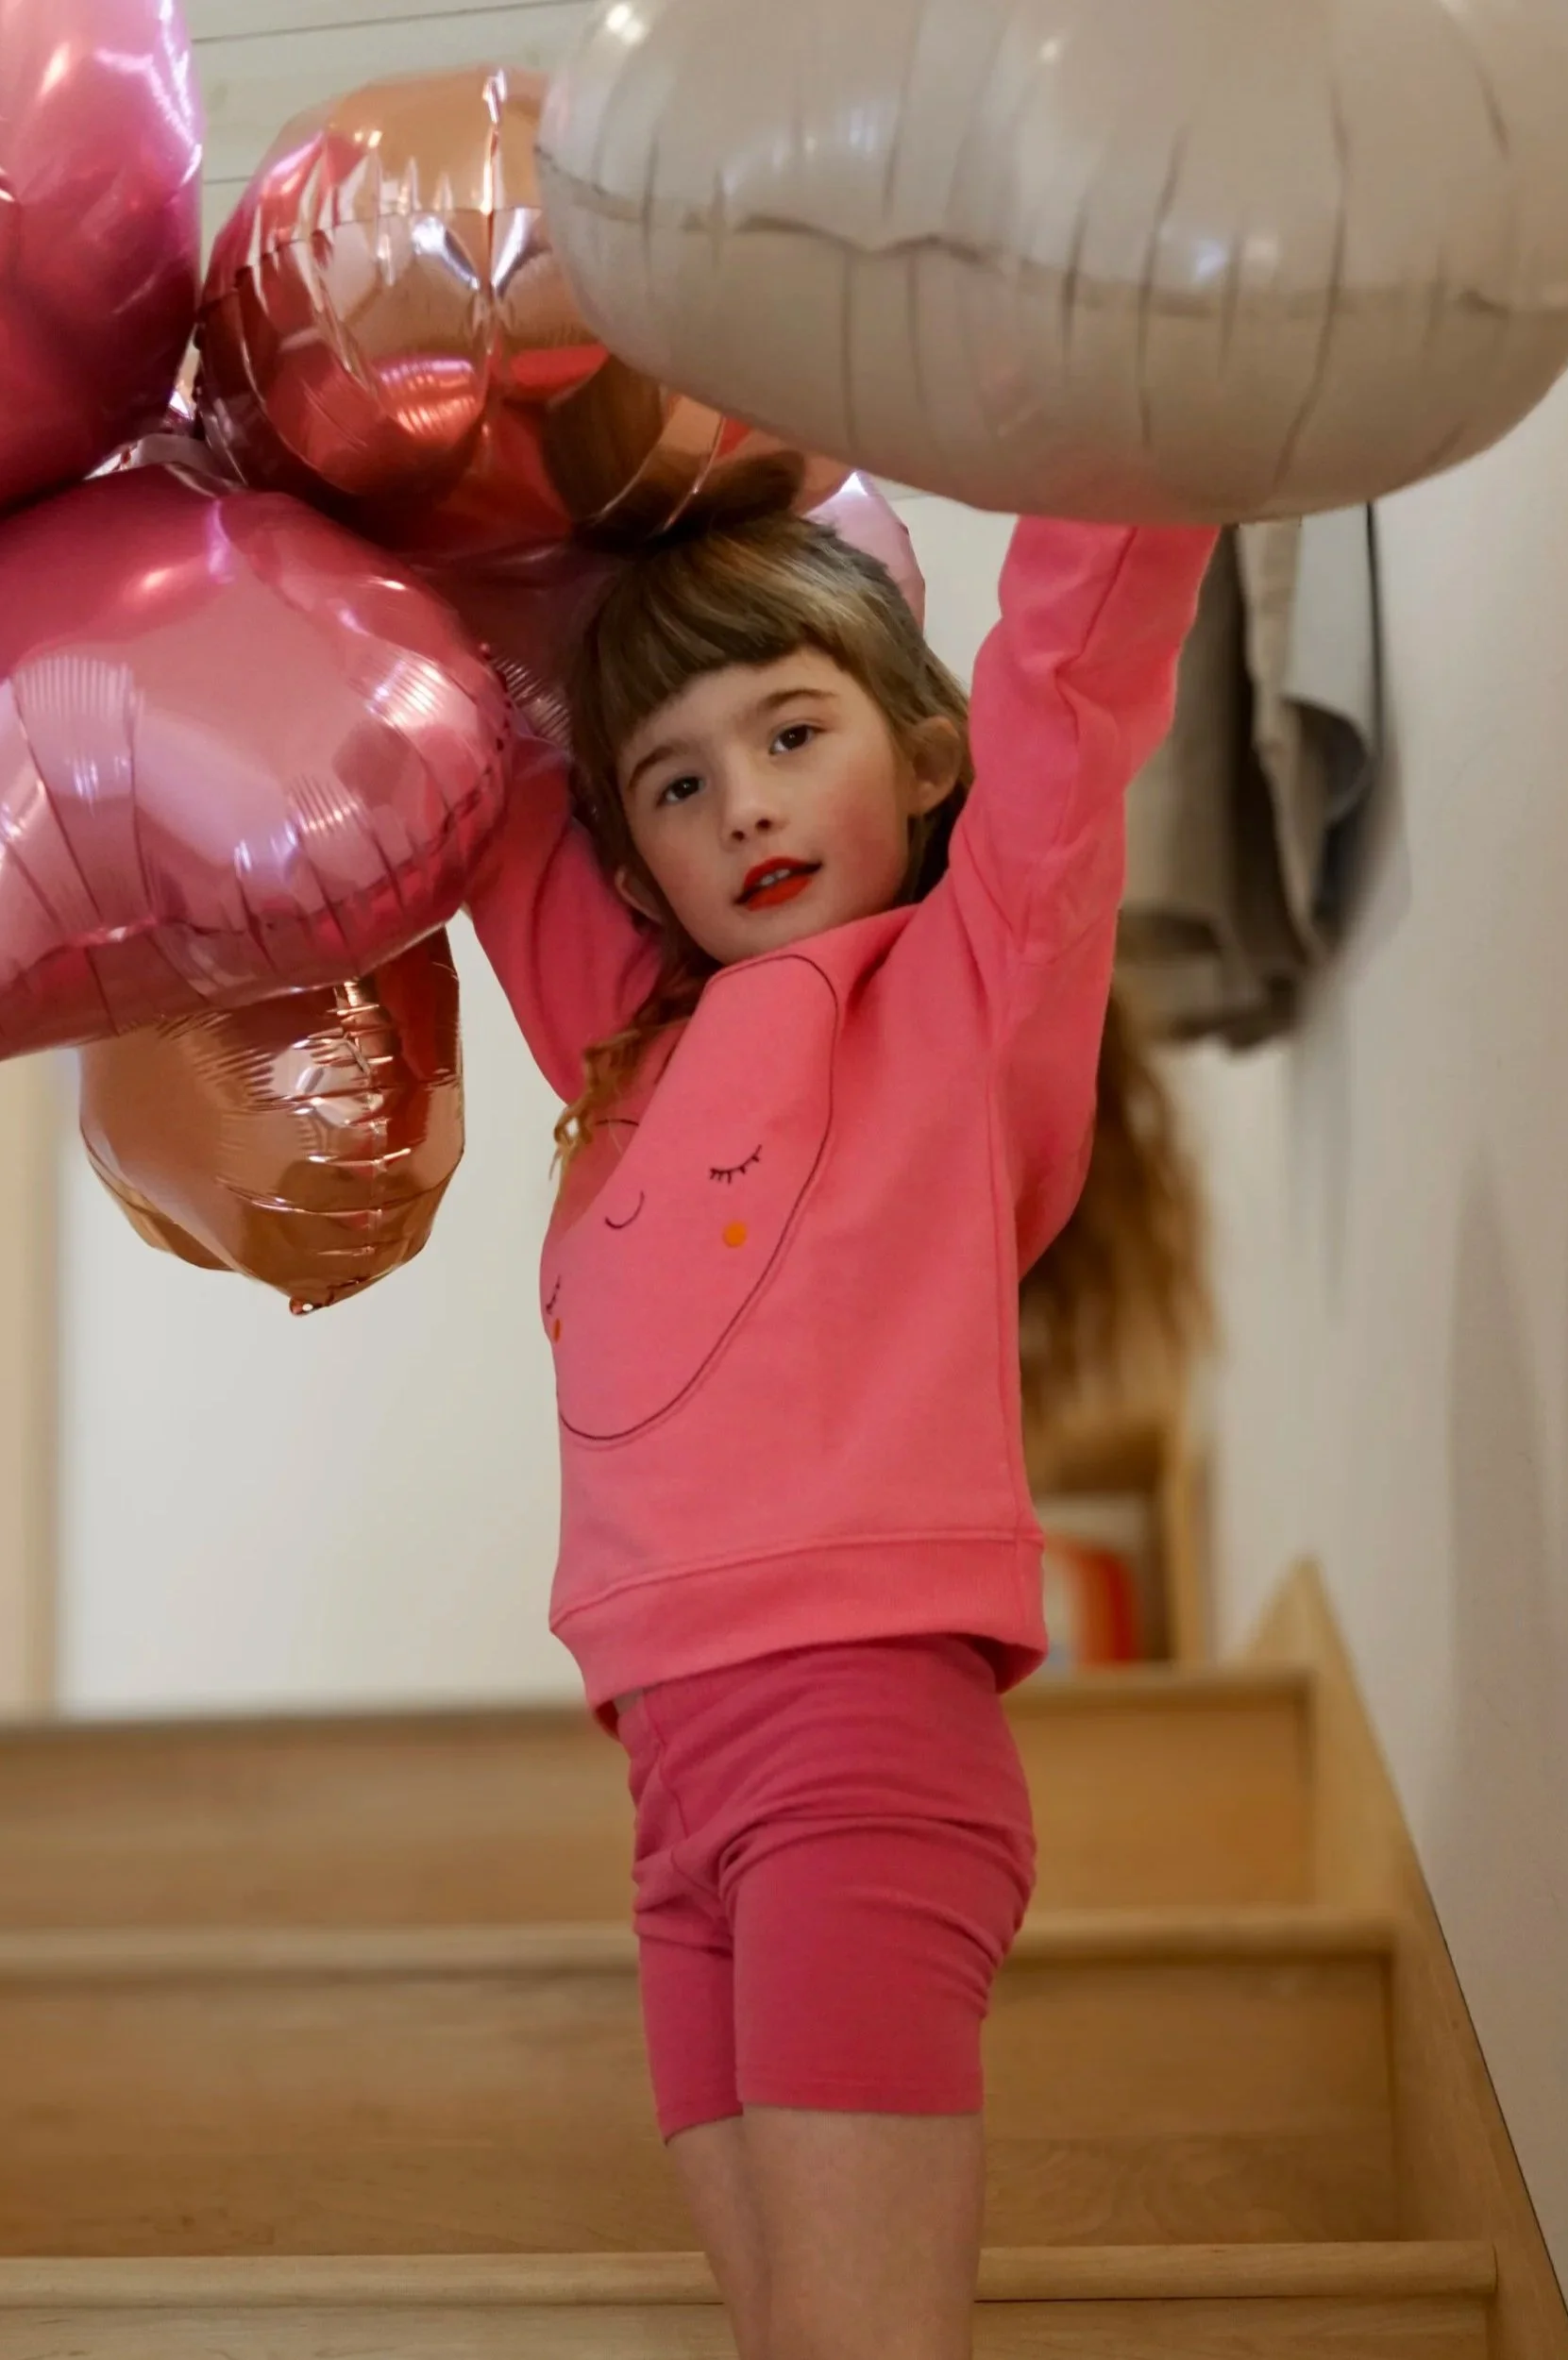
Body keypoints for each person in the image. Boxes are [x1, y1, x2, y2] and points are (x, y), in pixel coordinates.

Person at [462, 469, 1215, 2360]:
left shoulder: (969, 985)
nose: (748, 803)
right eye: (678, 782)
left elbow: (1074, 660)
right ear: (634, 869)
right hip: (669, 1792)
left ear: (924, 752)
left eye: (790, 730)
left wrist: (1142, 377)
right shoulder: (628, 1047)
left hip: (855, 1744)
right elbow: (466, 768)